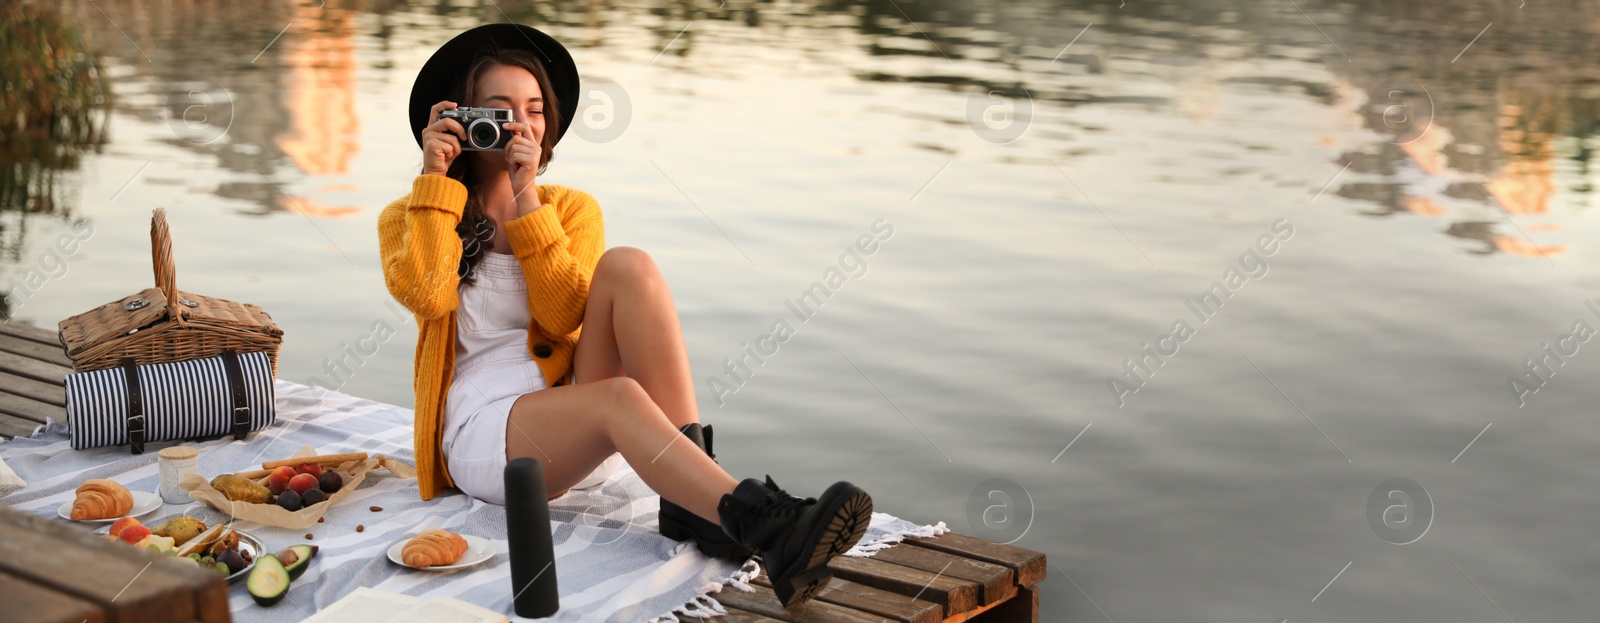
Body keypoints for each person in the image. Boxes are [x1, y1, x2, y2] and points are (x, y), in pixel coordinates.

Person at [377, 23, 873, 607]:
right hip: (489, 435)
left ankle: (696, 500)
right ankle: (762, 521)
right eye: (498, 109)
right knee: (618, 396)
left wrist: (526, 196)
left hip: (570, 414)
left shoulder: (569, 208)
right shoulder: (412, 213)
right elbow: (429, 294)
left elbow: (562, 318)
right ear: (458, 116)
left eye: (534, 110)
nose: (520, 124)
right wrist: (435, 180)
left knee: (629, 265)